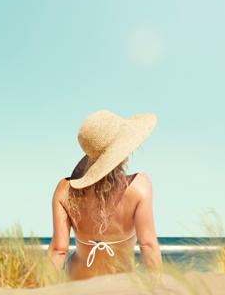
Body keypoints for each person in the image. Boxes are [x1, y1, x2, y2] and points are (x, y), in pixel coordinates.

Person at [48, 109, 162, 280]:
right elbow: (147, 245)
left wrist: (44, 292)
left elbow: (59, 250)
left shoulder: (64, 190)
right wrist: (160, 287)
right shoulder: (139, 186)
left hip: (77, 280)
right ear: (119, 154)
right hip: (121, 281)